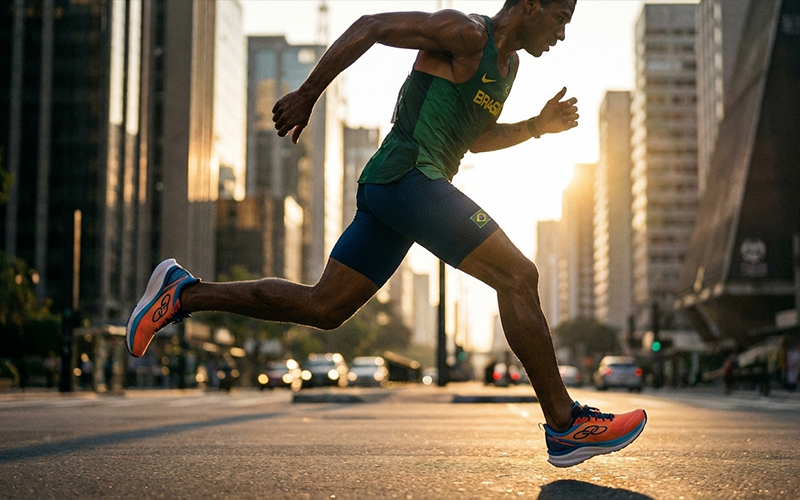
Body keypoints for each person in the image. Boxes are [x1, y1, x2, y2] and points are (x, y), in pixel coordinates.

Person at [126, 0, 646, 467]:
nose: (562, 34)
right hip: (407, 175)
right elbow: (370, 26)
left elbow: (475, 137)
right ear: (531, 4)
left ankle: (183, 292)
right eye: (561, 17)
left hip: (401, 188)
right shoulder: (465, 33)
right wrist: (308, 94)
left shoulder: (505, 68)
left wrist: (535, 126)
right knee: (519, 275)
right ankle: (564, 423)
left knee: (323, 308)